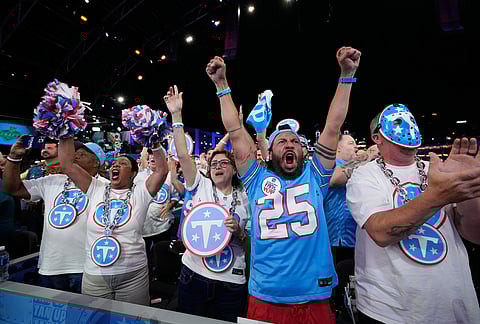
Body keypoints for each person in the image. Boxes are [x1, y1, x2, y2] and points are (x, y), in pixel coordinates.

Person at [205, 46, 361, 323]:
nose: (289, 145)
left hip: (316, 296)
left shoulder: (316, 176)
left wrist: (347, 75)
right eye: (281, 141)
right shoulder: (255, 180)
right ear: (269, 153)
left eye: (295, 142)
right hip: (266, 297)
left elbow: (333, 126)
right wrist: (221, 84)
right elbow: (235, 131)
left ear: (304, 151)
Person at [346, 104, 480, 323]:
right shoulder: (364, 176)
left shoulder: (439, 170)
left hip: (456, 306)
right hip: (392, 312)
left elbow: (475, 234)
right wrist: (439, 195)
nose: (407, 128)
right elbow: (382, 233)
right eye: (398, 123)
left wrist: (470, 189)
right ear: (376, 137)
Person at [164, 85, 249, 322]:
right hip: (194, 274)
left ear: (234, 169)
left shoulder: (247, 197)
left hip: (231, 280)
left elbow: (252, 243)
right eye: (214, 164)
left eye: (224, 163)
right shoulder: (200, 185)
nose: (218, 166)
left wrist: (240, 232)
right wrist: (177, 116)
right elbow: (182, 155)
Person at [57, 136, 167, 305]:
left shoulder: (141, 192)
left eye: (123, 163)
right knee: (94, 319)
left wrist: (154, 141)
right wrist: (65, 131)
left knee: (132, 319)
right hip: (95, 276)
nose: (116, 165)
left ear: (133, 174)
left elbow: (161, 171)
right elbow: (67, 165)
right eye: (114, 163)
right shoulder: (95, 187)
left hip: (133, 275)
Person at [2, 137, 107, 293]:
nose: (75, 156)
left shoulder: (106, 186)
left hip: (86, 267)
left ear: (96, 162)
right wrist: (14, 158)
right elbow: (12, 189)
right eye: (74, 153)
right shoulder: (53, 181)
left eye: (82, 154)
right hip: (50, 266)